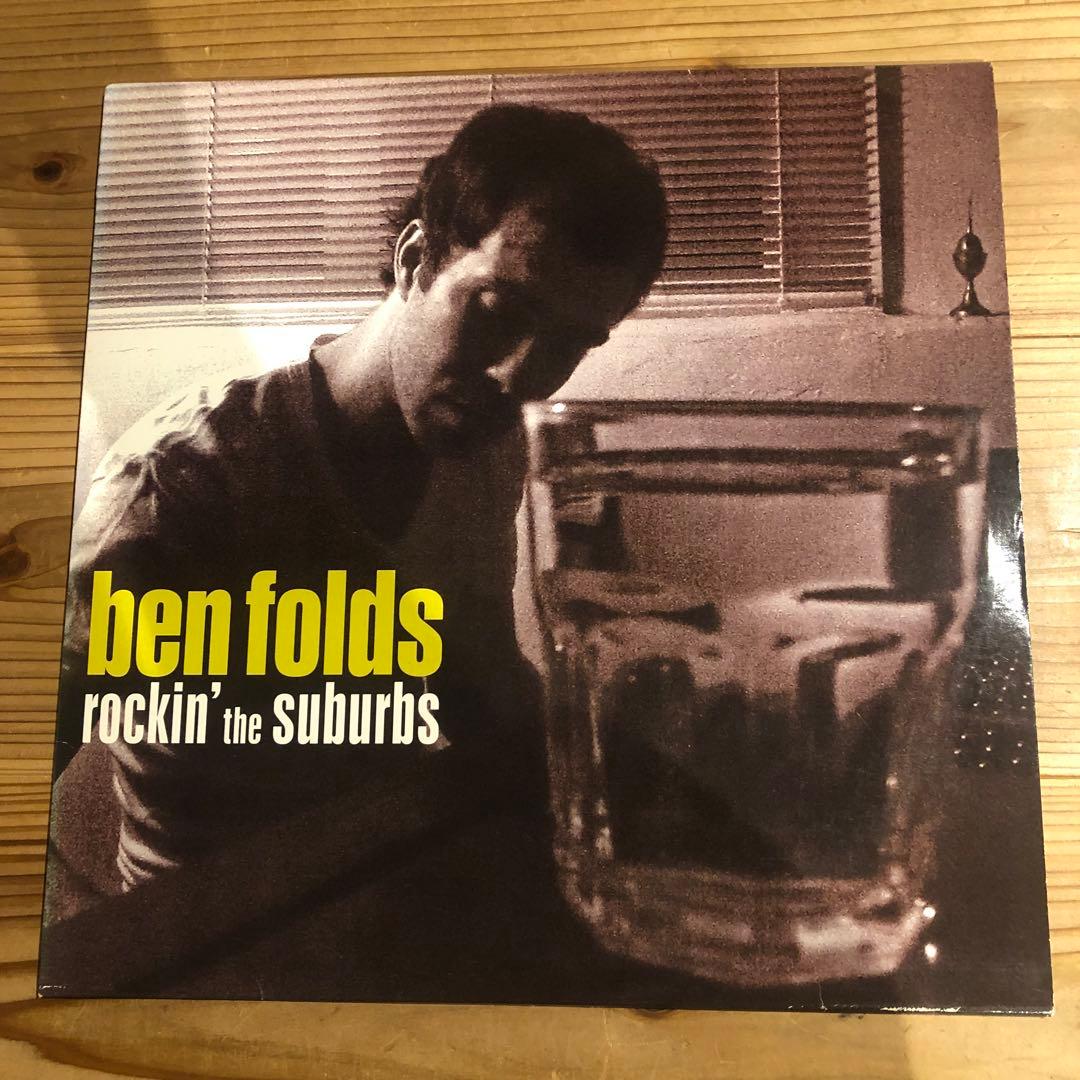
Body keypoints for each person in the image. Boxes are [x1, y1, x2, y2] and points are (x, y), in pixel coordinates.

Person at [51, 103, 669, 895]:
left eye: (570, 345)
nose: (520, 376)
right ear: (416, 259)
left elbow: (473, 679)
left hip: (386, 877)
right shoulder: (182, 482)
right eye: (499, 314)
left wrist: (622, 768)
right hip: (207, 917)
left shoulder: (488, 442)